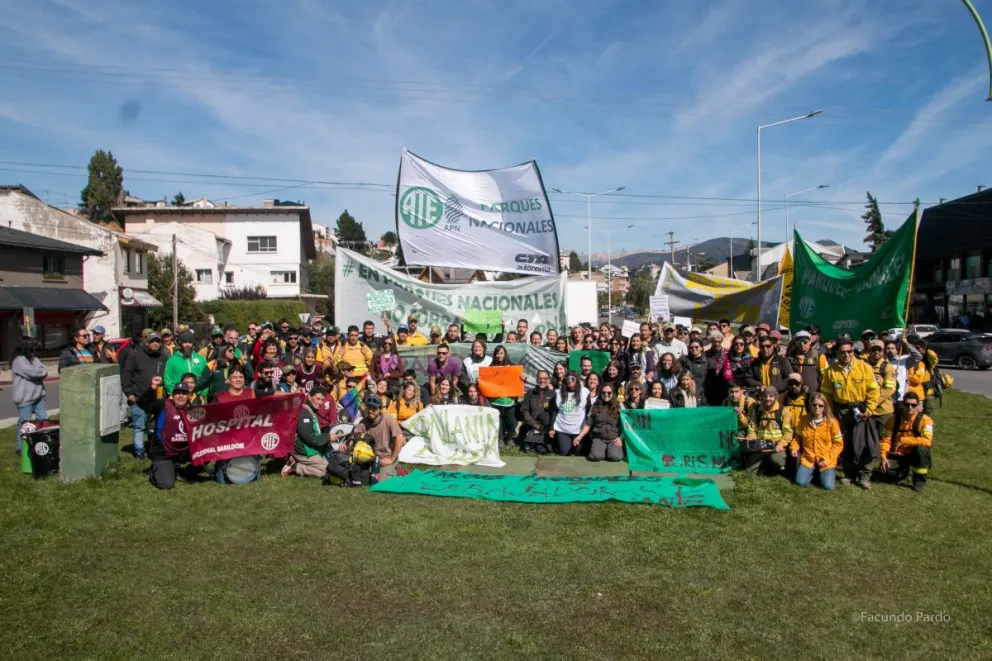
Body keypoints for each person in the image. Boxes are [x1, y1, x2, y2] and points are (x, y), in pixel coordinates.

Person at [820, 338, 881, 489]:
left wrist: (869, 409)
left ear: (853, 352)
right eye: (842, 352)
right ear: (837, 353)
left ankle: (864, 476)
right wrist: (830, 414)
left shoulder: (865, 367)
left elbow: (873, 391)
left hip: (862, 409)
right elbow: (827, 395)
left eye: (849, 351)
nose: (846, 355)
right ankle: (849, 474)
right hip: (841, 410)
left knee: (864, 443)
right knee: (845, 443)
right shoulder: (830, 371)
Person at [121, 332, 168, 460]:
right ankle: (139, 451)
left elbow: (168, 376)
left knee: (157, 426)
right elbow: (126, 374)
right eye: (152, 341)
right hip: (138, 397)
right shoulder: (135, 355)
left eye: (158, 341)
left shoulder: (164, 358)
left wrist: (163, 381)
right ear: (147, 342)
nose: (155, 343)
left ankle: (153, 448)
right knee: (139, 426)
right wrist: (129, 393)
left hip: (157, 399)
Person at [283, 385, 344, 479]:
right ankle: (295, 467)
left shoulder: (308, 410)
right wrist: (328, 437)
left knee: (330, 467)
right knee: (328, 471)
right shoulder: (304, 414)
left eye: (322, 400)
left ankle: (294, 461)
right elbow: (310, 438)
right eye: (318, 399)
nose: (320, 402)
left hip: (306, 449)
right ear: (309, 397)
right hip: (303, 451)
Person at [879, 392, 934, 492]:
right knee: (887, 473)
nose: (910, 407)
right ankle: (903, 473)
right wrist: (884, 457)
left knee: (921, 449)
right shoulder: (893, 419)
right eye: (907, 404)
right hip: (898, 454)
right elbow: (885, 440)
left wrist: (903, 441)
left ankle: (919, 481)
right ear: (902, 404)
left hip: (915, 454)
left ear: (918, 406)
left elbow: (927, 441)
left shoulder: (925, 420)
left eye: (913, 405)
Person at [788, 392, 844, 491]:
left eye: (820, 405)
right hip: (808, 458)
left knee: (828, 487)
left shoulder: (832, 422)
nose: (817, 407)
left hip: (826, 459)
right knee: (800, 482)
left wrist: (827, 459)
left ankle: (820, 473)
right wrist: (794, 448)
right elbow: (797, 438)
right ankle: (813, 472)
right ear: (810, 405)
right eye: (814, 405)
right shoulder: (804, 420)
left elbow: (838, 445)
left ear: (825, 407)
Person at [147, 381, 193, 490]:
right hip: (163, 451)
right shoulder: (163, 404)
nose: (180, 396)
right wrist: (151, 389)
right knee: (167, 485)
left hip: (183, 449)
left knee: (207, 452)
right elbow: (142, 404)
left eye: (184, 393)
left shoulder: (194, 409)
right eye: (177, 393)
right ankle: (154, 471)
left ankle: (183, 473)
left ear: (189, 396)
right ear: (173, 395)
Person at [353, 395, 406, 480]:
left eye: (374, 408)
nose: (370, 411)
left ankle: (396, 469)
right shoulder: (363, 423)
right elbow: (354, 438)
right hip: (370, 458)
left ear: (380, 409)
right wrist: (345, 445)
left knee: (383, 482)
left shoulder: (388, 419)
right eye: (369, 408)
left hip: (387, 457)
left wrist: (391, 459)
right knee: (359, 477)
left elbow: (400, 438)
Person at [11, 338, 48, 455]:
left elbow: (44, 370)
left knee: (43, 419)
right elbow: (33, 373)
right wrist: (40, 371)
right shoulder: (18, 361)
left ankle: (43, 444)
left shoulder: (34, 359)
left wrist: (41, 370)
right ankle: (20, 448)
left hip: (39, 396)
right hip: (25, 398)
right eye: (33, 346)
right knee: (24, 423)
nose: (35, 348)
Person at [741, 387, 788, 476]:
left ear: (776, 397)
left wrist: (781, 444)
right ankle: (764, 464)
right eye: (765, 396)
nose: (767, 399)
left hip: (776, 446)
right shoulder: (757, 410)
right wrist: (751, 436)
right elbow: (752, 428)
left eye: (771, 396)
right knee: (750, 472)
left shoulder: (783, 410)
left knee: (777, 460)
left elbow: (788, 432)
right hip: (761, 445)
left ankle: (776, 465)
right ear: (762, 397)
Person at [577, 384, 623, 462]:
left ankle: (609, 451)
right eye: (603, 392)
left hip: (614, 438)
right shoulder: (595, 406)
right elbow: (588, 424)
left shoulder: (619, 405)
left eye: (609, 393)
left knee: (615, 457)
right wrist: (580, 436)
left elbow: (625, 424)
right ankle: (601, 450)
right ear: (600, 393)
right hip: (599, 438)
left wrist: (621, 438)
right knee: (595, 456)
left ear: (613, 393)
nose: (606, 394)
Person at [550, 372, 588, 456]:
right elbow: (554, 411)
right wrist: (551, 428)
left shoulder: (585, 392)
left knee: (578, 453)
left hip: (579, 430)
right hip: (563, 429)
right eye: (568, 379)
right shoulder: (558, 392)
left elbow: (588, 410)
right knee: (564, 452)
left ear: (577, 380)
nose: (570, 381)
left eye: (573, 379)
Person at [864, 339, 898, 433]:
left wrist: (872, 402)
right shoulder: (863, 366)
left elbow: (889, 389)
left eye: (879, 350)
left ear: (883, 351)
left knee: (884, 437)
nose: (876, 352)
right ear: (868, 351)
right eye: (873, 349)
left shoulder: (887, 367)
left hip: (883, 411)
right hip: (866, 410)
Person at [488, 344, 518, 447]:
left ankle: (509, 437)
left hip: (509, 400)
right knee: (498, 421)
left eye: (501, 353)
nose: (499, 356)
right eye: (497, 353)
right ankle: (500, 439)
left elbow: (519, 380)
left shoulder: (513, 366)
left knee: (511, 422)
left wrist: (523, 377)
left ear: (505, 354)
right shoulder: (491, 367)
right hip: (496, 400)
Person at [520, 369, 555, 453]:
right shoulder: (530, 393)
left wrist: (549, 427)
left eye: (545, 378)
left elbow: (555, 413)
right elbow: (524, 411)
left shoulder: (553, 394)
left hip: (547, 427)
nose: (542, 380)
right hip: (532, 425)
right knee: (529, 448)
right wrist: (536, 425)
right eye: (540, 378)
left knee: (542, 449)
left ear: (549, 380)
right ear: (536, 380)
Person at [164, 331, 208, 395]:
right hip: (179, 396)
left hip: (198, 397)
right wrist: (176, 395)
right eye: (184, 342)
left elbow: (206, 378)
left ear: (193, 343)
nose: (187, 345)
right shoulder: (172, 360)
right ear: (180, 343)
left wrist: (203, 395)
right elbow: (168, 381)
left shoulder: (202, 359)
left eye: (190, 342)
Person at [884, 336, 923, 401]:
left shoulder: (904, 360)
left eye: (892, 348)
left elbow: (918, 356)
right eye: (888, 348)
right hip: (887, 397)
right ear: (884, 350)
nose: (890, 350)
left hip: (902, 397)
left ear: (896, 350)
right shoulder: (882, 362)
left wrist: (906, 344)